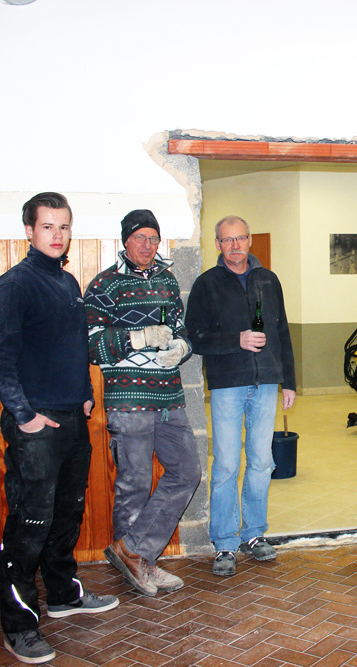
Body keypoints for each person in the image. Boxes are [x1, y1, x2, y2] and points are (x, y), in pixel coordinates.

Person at [0, 192, 119, 664]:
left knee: (66, 515)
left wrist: (84, 393)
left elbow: (72, 346)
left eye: (63, 227)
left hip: (72, 420)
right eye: (47, 227)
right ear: (29, 230)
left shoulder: (66, 282)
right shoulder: (15, 284)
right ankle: (18, 626)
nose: (57, 236)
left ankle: (62, 595)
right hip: (35, 427)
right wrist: (24, 415)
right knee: (29, 526)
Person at [84, 209, 200, 597]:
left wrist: (181, 348)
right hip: (129, 399)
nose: (147, 246)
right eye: (139, 238)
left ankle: (135, 552)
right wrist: (138, 338)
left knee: (187, 471)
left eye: (153, 238)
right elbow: (90, 345)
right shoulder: (105, 284)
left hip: (169, 397)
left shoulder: (167, 280)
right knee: (133, 485)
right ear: (125, 240)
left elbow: (181, 329)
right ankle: (140, 566)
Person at [185, 215, 296, 576]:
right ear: (217, 244)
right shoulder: (207, 284)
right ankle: (224, 542)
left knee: (262, 462)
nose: (234, 246)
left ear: (250, 240)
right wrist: (237, 340)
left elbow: (282, 331)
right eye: (227, 240)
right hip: (228, 385)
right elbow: (195, 337)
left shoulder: (269, 280)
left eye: (240, 238)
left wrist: (289, 381)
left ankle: (254, 534)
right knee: (227, 465)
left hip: (266, 384)